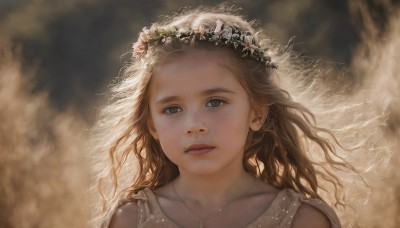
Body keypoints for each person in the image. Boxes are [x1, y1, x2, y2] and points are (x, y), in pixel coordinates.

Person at [91, 5, 356, 228]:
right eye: (172, 109)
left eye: (215, 102)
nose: (194, 126)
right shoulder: (129, 220)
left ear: (257, 112)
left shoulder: (303, 220)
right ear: (152, 125)